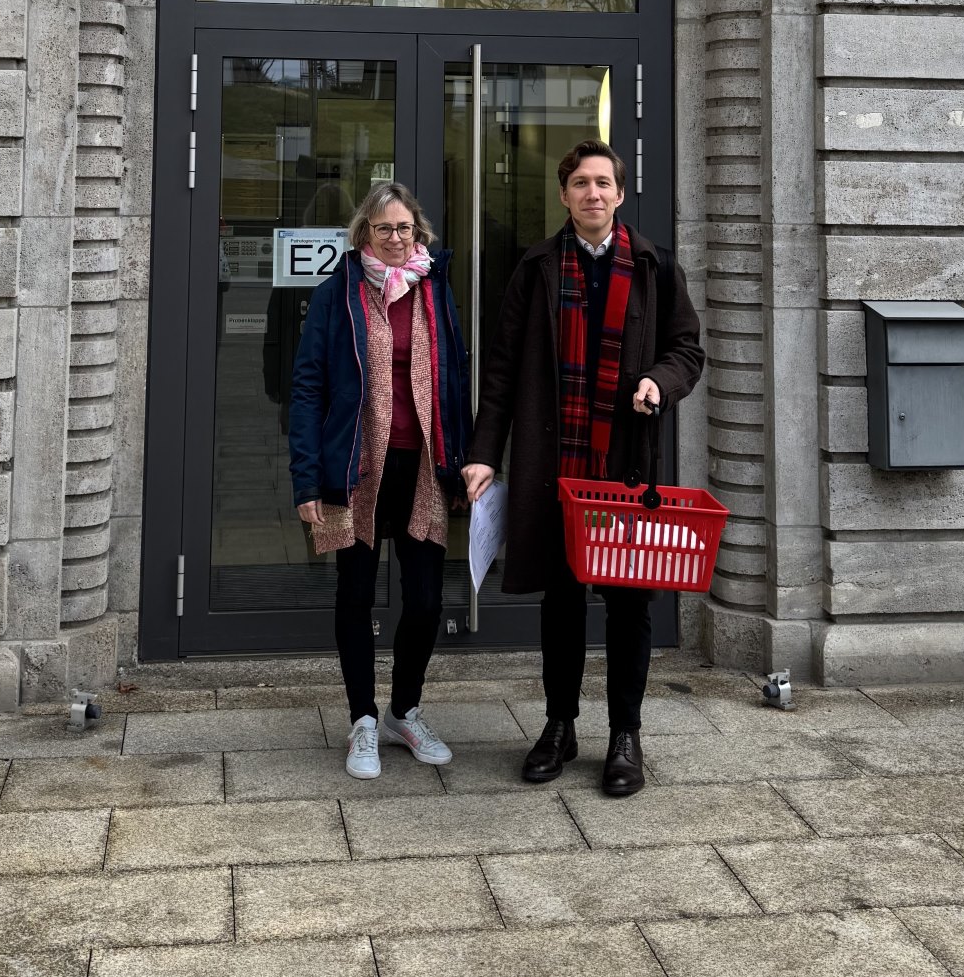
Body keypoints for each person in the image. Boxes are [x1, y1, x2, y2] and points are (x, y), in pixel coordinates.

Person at [462, 139, 705, 798]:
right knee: (562, 602)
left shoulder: (655, 265)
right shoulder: (536, 267)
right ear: (565, 194)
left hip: (625, 465)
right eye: (580, 183)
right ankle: (560, 725)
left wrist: (659, 380)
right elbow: (503, 369)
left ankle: (625, 733)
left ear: (620, 194)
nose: (592, 193)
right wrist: (485, 451)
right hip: (557, 464)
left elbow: (688, 347)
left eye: (603, 183)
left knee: (630, 603)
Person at [288, 180, 471, 780]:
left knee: (425, 600)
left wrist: (465, 458)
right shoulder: (334, 296)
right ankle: (362, 720)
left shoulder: (436, 291)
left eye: (406, 229)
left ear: (419, 234)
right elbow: (308, 389)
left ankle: (403, 712)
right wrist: (307, 480)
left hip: (420, 466)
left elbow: (455, 380)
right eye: (384, 228)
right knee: (357, 594)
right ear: (364, 233)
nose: (396, 239)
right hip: (357, 467)